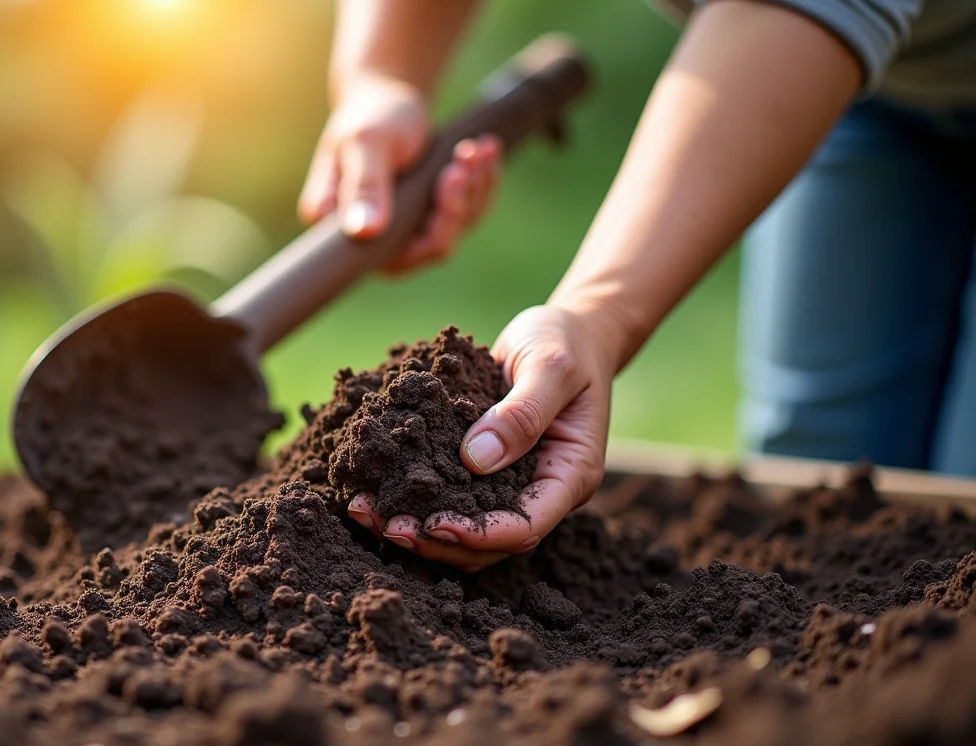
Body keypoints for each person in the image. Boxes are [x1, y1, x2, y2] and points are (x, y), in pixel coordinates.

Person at [299, 0, 976, 571]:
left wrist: (596, 314)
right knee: (822, 467)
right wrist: (383, 77)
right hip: (860, 91)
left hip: (799, 36)